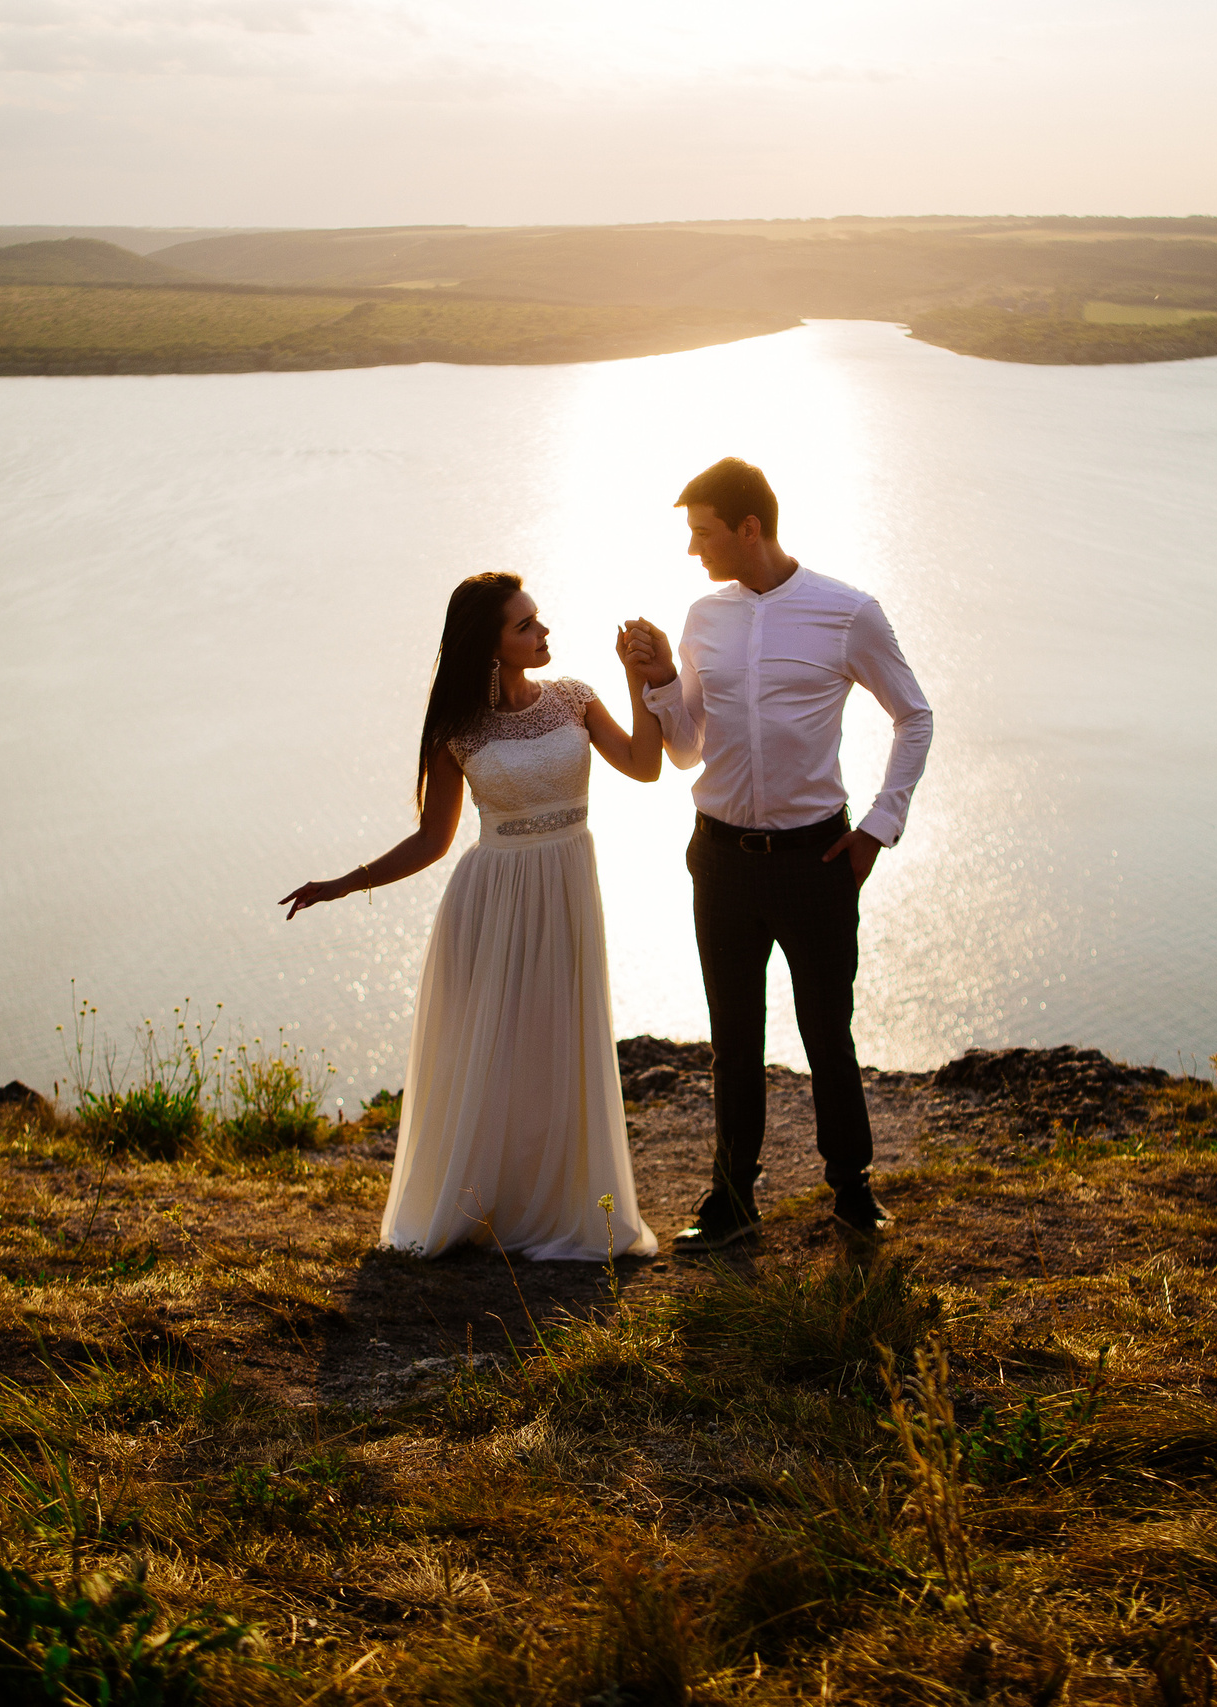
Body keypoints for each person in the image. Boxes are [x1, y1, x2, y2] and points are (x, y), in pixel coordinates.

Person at [280, 573, 665, 1261]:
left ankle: (560, 1205)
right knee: (496, 1056)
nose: (543, 631)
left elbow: (644, 766)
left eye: (538, 619)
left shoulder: (576, 699)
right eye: (525, 625)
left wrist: (635, 681)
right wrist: (345, 883)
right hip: (492, 904)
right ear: (490, 646)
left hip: (567, 888)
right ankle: (487, 1207)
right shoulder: (458, 728)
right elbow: (433, 840)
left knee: (562, 1045)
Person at [622, 458, 934, 1251]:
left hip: (815, 860)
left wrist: (877, 829)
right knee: (734, 1034)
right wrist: (660, 681)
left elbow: (915, 716)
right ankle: (732, 1195)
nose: (694, 550)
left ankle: (851, 1188)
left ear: (748, 528)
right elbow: (689, 748)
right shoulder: (702, 617)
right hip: (720, 859)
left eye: (703, 533)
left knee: (828, 1027)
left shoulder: (847, 612)